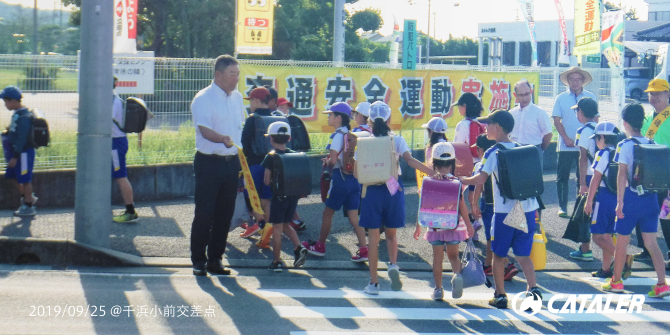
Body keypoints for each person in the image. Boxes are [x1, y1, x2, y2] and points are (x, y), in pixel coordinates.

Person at [460, 109, 542, 309]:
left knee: (498, 255)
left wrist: (461, 179)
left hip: (504, 211)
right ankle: (534, 289)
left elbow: (481, 178)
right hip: (527, 209)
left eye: (488, 124)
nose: (486, 127)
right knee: (523, 255)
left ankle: (500, 294)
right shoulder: (521, 148)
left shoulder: (492, 152)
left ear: (497, 127)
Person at [359, 101, 436, 295]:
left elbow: (356, 173)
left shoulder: (363, 142)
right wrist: (432, 172)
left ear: (369, 120)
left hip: (371, 192)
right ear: (388, 119)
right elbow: (410, 160)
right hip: (393, 189)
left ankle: (374, 283)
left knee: (374, 240)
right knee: (392, 235)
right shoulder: (397, 140)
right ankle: (393, 265)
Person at [602, 103, 670, 298]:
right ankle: (662, 284)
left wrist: (619, 202)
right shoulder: (652, 143)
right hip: (650, 200)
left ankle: (616, 282)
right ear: (642, 122)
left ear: (624, 123)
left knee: (622, 242)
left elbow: (622, 174)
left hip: (631, 199)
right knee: (651, 242)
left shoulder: (624, 145)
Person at [190, 55, 245, 276]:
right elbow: (204, 130)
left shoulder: (238, 97)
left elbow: (239, 127)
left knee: (225, 213)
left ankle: (215, 259)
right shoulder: (203, 98)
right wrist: (222, 138)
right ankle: (198, 260)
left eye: (238, 74)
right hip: (209, 162)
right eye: (232, 74)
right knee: (205, 213)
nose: (236, 78)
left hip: (232, 163)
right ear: (218, 74)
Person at [302, 102, 369, 261]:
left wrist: (327, 162)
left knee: (327, 214)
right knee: (354, 217)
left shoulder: (337, 135)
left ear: (339, 118)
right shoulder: (352, 134)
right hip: (354, 179)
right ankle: (364, 249)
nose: (328, 118)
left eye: (330, 115)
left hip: (340, 178)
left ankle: (320, 246)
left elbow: (333, 160)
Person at [414, 142, 474, 300]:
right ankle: (457, 276)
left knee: (437, 258)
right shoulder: (457, 183)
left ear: (433, 163)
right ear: (453, 163)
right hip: (454, 225)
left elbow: (423, 205)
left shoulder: (428, 181)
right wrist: (469, 226)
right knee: (454, 256)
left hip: (435, 226)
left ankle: (438, 289)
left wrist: (418, 225)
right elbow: (462, 206)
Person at [261, 121, 309, 271]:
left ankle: (276, 261)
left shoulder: (271, 157)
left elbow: (266, 181)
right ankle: (298, 247)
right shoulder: (295, 155)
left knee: (277, 228)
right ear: (289, 138)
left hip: (278, 198)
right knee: (286, 225)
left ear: (271, 139)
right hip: (292, 197)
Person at [552, 66, 597, 218]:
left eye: (578, 79)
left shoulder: (590, 97)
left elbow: (596, 118)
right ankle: (562, 206)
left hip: (585, 145)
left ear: (583, 81)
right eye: (572, 79)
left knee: (582, 177)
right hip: (565, 144)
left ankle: (582, 205)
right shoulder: (561, 98)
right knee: (562, 177)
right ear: (568, 81)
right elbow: (556, 120)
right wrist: (565, 137)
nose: (575, 82)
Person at [636, 78, 670, 264]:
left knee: (667, 216)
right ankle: (646, 249)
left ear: (668, 94)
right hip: (647, 174)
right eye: (651, 93)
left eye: (658, 93)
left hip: (667, 174)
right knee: (645, 211)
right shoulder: (648, 117)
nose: (654, 97)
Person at [583, 122, 622, 278]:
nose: (596, 142)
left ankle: (622, 257)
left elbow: (596, 179)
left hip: (603, 198)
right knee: (608, 235)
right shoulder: (620, 152)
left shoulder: (602, 154)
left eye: (596, 139)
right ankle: (605, 269)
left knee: (597, 236)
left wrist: (589, 201)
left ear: (602, 137)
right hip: (618, 198)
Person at [239, 87, 274, 239]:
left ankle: (259, 223)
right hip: (273, 166)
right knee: (266, 199)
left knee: (248, 198)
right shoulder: (275, 118)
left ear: (257, 101)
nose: (250, 104)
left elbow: (244, 144)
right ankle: (267, 229)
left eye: (251, 100)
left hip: (253, 165)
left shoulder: (252, 119)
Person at [569, 97, 599, 261]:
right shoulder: (602, 128)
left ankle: (585, 249)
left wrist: (582, 183)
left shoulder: (583, 131)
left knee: (584, 212)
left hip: (588, 175)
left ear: (580, 112)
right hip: (604, 176)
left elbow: (582, 158)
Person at [1, 85, 37, 217]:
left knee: (25, 179)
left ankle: (28, 206)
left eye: (6, 102)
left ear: (12, 100)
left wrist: (15, 157)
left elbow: (22, 139)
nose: (5, 105)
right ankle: (29, 197)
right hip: (18, 153)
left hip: (23, 154)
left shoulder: (24, 117)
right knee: (10, 176)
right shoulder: (18, 114)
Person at [111, 77, 138, 223]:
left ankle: (130, 211)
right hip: (115, 142)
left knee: (121, 176)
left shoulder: (112, 101)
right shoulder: (113, 98)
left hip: (115, 143)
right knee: (118, 175)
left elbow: (103, 120)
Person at [509, 80, 552, 169]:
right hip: (514, 151)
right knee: (514, 180)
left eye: (527, 94)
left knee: (534, 181)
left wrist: (540, 149)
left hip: (533, 151)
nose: (525, 98)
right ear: (515, 95)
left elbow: (548, 134)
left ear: (531, 92)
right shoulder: (512, 113)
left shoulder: (539, 112)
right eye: (521, 95)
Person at [453, 92, 485, 162]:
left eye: (459, 106)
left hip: (470, 163)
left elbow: (458, 147)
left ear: (464, 106)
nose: (458, 108)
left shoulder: (462, 124)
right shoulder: (483, 122)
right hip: (484, 162)